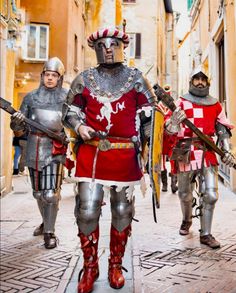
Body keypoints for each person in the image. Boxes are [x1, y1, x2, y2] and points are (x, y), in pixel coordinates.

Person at [62, 27, 158, 293]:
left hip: (125, 153)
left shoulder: (137, 79)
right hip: (92, 153)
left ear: (122, 45)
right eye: (102, 44)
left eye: (113, 43)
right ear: (95, 47)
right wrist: (79, 126)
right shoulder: (84, 78)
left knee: (122, 211)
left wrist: (156, 137)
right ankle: (90, 266)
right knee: (88, 210)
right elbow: (69, 111)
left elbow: (150, 118)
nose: (107, 48)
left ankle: (115, 264)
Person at [165, 67, 235, 249]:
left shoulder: (215, 105)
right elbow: (168, 129)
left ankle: (206, 234)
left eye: (203, 79)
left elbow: (222, 129)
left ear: (208, 82)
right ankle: (186, 220)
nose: (200, 82)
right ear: (191, 81)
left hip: (207, 151)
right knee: (184, 194)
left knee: (211, 194)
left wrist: (226, 150)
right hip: (185, 150)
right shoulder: (180, 102)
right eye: (196, 79)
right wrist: (173, 121)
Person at [10, 57, 68, 249]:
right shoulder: (30, 98)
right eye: (47, 75)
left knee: (51, 194)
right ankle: (45, 222)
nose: (50, 78)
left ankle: (50, 233)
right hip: (34, 146)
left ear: (59, 78)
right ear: (42, 76)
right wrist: (17, 121)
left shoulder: (66, 98)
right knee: (38, 193)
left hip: (54, 148)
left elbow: (72, 123)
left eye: (54, 75)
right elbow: (19, 130)